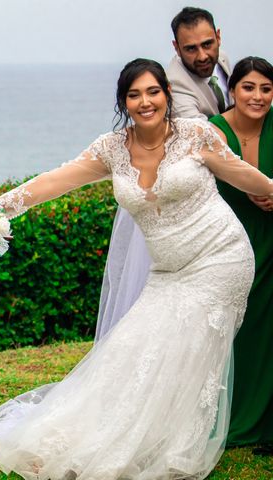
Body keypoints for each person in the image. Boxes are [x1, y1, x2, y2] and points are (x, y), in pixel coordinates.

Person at [0, 58, 273, 479]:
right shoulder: (112, 149)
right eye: (134, 94)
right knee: (131, 349)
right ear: (124, 102)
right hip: (168, 272)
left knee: (184, 353)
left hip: (221, 257)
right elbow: (55, 181)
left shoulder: (197, 135)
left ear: (167, 94)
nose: (145, 102)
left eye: (153, 92)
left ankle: (173, 447)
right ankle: (87, 436)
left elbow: (244, 175)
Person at [97, 6, 231, 341]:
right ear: (176, 48)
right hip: (171, 202)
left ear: (218, 37)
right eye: (190, 49)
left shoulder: (223, 62)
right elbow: (212, 145)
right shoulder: (175, 90)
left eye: (207, 44)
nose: (202, 55)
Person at [208, 56, 273, 454]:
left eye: (266, 88)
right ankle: (234, 416)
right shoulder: (212, 131)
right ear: (232, 90)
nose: (258, 96)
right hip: (230, 244)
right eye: (249, 87)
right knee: (237, 330)